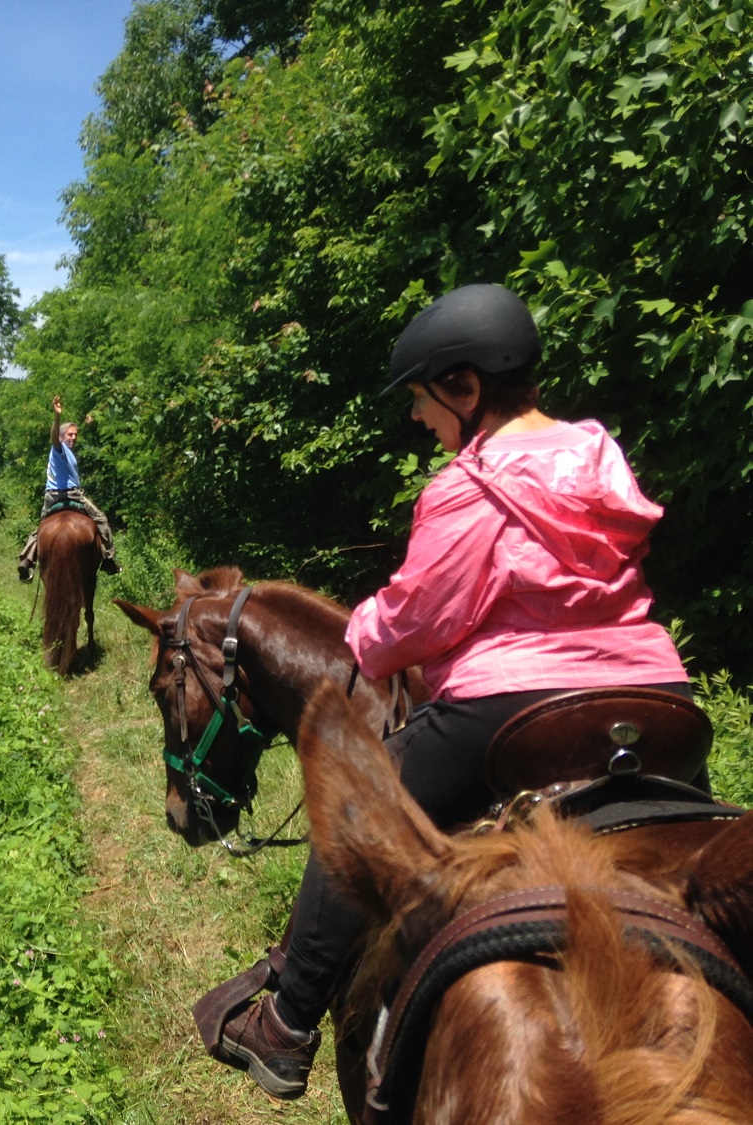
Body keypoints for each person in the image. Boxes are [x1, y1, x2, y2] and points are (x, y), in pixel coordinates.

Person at [207, 283, 695, 1099]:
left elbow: (415, 624)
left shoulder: (467, 486)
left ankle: (286, 1025)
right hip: (657, 706)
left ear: (466, 387)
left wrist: (366, 627)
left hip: (514, 714)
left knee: (356, 820)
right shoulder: (598, 452)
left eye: (425, 398)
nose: (417, 418)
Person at [18, 394, 120, 580]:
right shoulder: (59, 448)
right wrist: (57, 415)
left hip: (51, 497)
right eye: (70, 434)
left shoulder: (70, 453)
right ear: (61, 436)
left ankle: (27, 559)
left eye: (75, 434)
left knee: (41, 527)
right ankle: (109, 559)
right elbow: (54, 436)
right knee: (101, 519)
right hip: (71, 496)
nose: (73, 437)